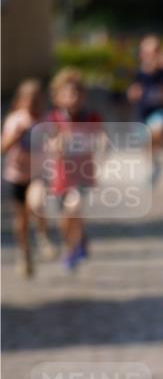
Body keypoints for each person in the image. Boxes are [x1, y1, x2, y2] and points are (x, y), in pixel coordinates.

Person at [43, 68, 103, 271]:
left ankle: (72, 250)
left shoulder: (91, 117)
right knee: (65, 219)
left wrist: (100, 147)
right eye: (67, 94)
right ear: (57, 97)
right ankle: (77, 240)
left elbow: (101, 139)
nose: (73, 98)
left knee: (73, 207)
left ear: (83, 96)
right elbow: (49, 145)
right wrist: (58, 143)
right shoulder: (54, 119)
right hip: (61, 175)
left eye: (76, 93)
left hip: (82, 173)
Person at [1, 79, 55, 276]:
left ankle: (42, 237)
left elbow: (55, 143)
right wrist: (16, 135)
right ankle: (24, 254)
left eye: (36, 100)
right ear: (20, 100)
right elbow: (3, 148)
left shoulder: (46, 120)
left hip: (37, 173)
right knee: (21, 218)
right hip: (17, 174)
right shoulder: (15, 120)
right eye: (28, 100)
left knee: (37, 203)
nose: (32, 104)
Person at [127, 35, 163, 184]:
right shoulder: (138, 73)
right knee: (146, 143)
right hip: (144, 113)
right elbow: (132, 93)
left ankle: (159, 156)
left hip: (160, 111)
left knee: (157, 130)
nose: (151, 56)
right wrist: (134, 93)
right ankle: (155, 165)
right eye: (147, 52)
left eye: (154, 51)